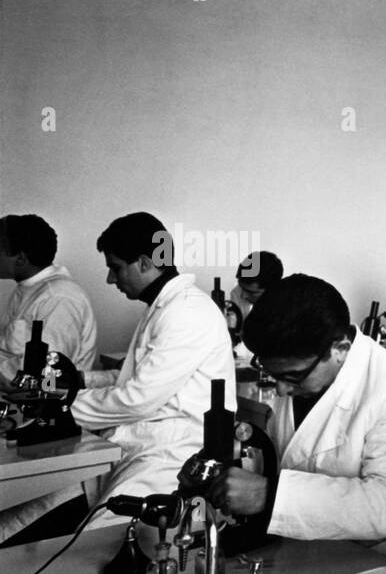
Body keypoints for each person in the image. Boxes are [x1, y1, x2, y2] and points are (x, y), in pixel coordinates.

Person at [208, 275, 386, 544]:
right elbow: (293, 458)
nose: (282, 391)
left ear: (340, 349)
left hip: (377, 558)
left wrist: (269, 496)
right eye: (274, 376)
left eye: (294, 377)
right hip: (305, 549)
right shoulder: (303, 366)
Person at [74, 212, 236, 517]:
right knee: (30, 516)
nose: (111, 279)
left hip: (170, 456)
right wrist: (81, 380)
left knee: (94, 538)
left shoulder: (186, 311)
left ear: (146, 263)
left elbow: (139, 398)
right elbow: (135, 376)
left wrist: (65, 405)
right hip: (140, 443)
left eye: (116, 268)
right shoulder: (165, 306)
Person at [0, 214, 98, 380]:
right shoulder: (27, 288)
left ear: (21, 259)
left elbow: (48, 373)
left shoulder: (58, 298)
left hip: (45, 400)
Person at [229, 250, 283, 369]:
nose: (243, 295)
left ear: (272, 291)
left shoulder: (285, 309)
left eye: (251, 292)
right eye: (241, 287)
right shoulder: (238, 293)